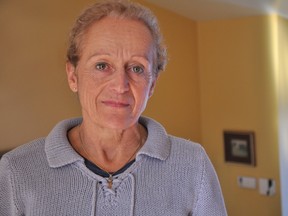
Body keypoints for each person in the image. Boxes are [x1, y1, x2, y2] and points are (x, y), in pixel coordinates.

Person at [0, 0, 227, 215]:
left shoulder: (192, 164)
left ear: (152, 85)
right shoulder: (17, 170)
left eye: (137, 68)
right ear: (73, 76)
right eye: (102, 65)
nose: (120, 86)